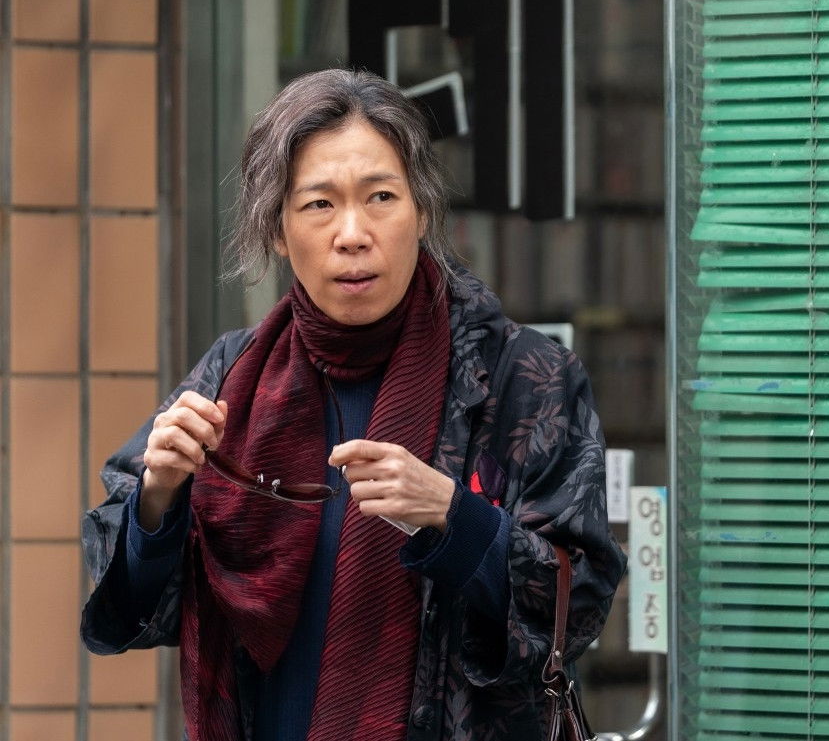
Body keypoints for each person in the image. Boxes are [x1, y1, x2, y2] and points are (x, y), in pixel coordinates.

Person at [79, 69, 626, 741]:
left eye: (381, 197)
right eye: (318, 204)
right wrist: (157, 499)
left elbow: (582, 605)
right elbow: (127, 612)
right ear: (278, 230)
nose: (352, 233)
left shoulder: (526, 379)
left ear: (421, 211)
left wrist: (456, 517)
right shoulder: (231, 377)